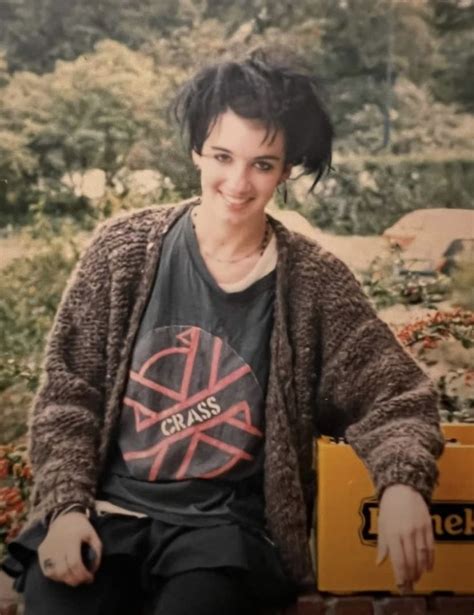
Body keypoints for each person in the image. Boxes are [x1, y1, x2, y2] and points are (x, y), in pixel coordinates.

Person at [2, 53, 444, 614]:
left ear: (286, 171)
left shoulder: (313, 283)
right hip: (108, 517)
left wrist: (402, 485)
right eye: (222, 156)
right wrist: (65, 510)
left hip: (224, 536)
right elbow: (70, 397)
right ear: (195, 150)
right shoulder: (123, 253)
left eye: (263, 164)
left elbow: (396, 397)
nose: (238, 183)